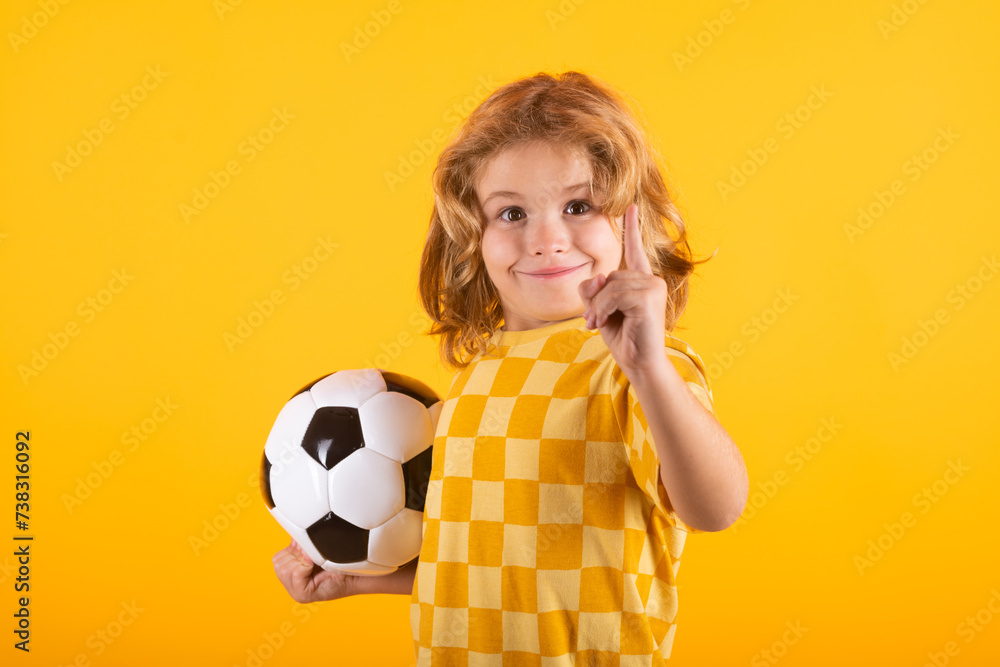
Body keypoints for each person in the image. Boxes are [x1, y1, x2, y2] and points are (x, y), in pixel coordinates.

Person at [273, 70, 749, 664]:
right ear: (471, 237)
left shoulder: (634, 365)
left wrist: (650, 366)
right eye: (512, 214)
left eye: (579, 206)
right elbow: (480, 570)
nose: (547, 239)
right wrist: (359, 580)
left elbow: (716, 507)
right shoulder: (476, 376)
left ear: (633, 223)